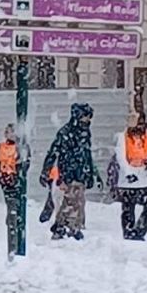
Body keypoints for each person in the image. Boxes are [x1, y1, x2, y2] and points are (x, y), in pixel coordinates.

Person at [41, 103, 99, 240]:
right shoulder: (65, 133)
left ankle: (67, 226)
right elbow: (53, 152)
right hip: (68, 171)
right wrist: (46, 170)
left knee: (77, 201)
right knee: (72, 200)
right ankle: (66, 227)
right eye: (85, 117)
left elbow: (87, 154)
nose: (88, 121)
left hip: (80, 172)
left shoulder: (85, 133)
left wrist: (90, 172)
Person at [114, 111, 147, 240]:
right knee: (128, 209)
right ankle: (129, 233)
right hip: (129, 180)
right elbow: (121, 156)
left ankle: (139, 231)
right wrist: (128, 172)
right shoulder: (123, 137)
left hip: (145, 177)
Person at [0, 125, 24, 254]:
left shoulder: (20, 147)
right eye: (6, 132)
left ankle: (14, 220)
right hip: (5, 177)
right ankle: (11, 219)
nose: (7, 134)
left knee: (15, 201)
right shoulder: (1, 146)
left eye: (10, 132)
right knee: (9, 200)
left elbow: (23, 162)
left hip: (14, 178)